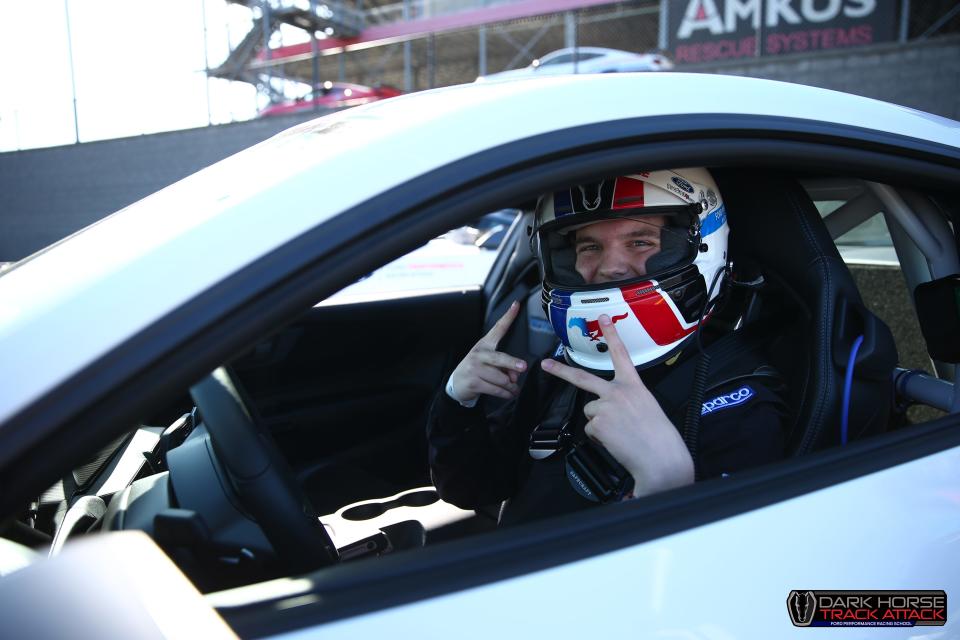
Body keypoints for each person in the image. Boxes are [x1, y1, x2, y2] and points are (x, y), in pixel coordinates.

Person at [427, 168, 787, 526]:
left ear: (701, 246)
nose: (611, 267)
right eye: (589, 247)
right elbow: (471, 490)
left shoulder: (739, 402)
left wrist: (669, 484)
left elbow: (735, 567)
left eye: (641, 241)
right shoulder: (561, 371)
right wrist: (459, 401)